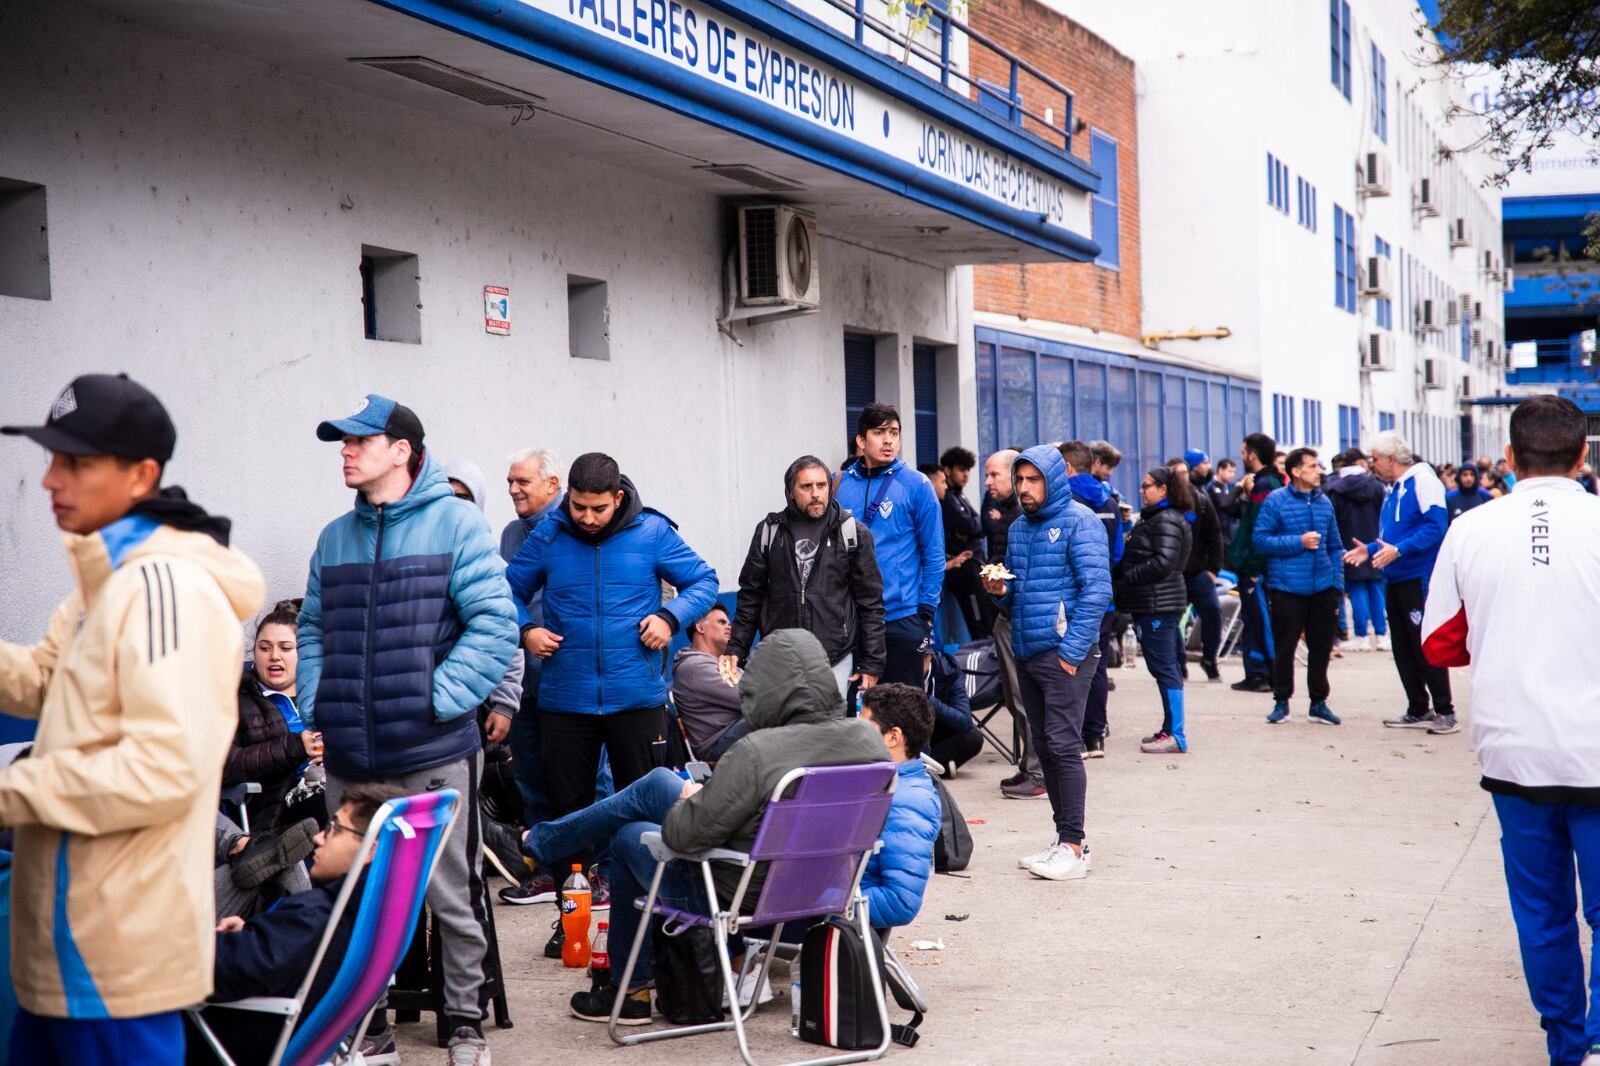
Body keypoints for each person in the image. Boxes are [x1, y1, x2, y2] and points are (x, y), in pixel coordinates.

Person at [0, 373, 265, 1065]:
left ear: (141, 475)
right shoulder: (108, 578)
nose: (50, 479)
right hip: (64, 946)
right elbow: (47, 679)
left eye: (75, 462)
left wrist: (11, 791)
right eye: (51, 458)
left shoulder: (164, 586)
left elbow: (163, 767)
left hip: (114, 957)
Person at [298, 393, 518, 1064]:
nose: (346, 451)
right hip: (351, 756)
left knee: (450, 891)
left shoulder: (457, 524)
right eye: (342, 441)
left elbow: (496, 626)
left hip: (433, 749)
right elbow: (312, 628)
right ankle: (365, 1027)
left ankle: (464, 1021)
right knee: (352, 898)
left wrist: (435, 699)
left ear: (401, 451)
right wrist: (318, 700)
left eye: (359, 441)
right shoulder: (334, 537)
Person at [516, 630, 888, 1023]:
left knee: (629, 835)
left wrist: (689, 799)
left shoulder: (758, 752)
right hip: (825, 887)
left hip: (740, 895)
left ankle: (630, 992)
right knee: (658, 783)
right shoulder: (868, 741)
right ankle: (544, 840)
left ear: (766, 689)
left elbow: (683, 836)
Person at [1420, 396, 1600, 1066]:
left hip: (1514, 749)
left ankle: (1568, 1045)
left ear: (1509, 458)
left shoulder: (1471, 528)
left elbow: (1439, 643)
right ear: (1582, 455)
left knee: (1542, 912)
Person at [505, 451, 718, 954]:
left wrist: (670, 617)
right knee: (568, 817)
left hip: (636, 699)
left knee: (647, 816)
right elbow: (504, 592)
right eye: (578, 506)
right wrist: (526, 629)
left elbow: (704, 580)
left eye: (598, 508)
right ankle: (570, 923)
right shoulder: (549, 534)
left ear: (618, 498)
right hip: (566, 701)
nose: (586, 518)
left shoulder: (652, 532)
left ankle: (650, 927)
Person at [187, 783, 409, 1066]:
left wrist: (203, 941)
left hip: (218, 1038)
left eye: (334, 829)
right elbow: (276, 954)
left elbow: (213, 974)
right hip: (294, 1036)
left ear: (369, 851)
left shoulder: (314, 917)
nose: (318, 838)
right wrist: (255, 935)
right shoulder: (375, 913)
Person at [982, 446, 1111, 881]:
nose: (1023, 488)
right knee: (1045, 747)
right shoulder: (1019, 528)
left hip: (1064, 656)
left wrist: (1071, 653)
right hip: (1028, 650)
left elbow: (1097, 591)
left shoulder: (1081, 521)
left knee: (1063, 746)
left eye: (1032, 480)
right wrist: (1001, 592)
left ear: (1053, 480)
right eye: (1019, 480)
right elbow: (1021, 594)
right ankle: (1065, 840)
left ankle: (1073, 846)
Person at [725, 455, 886, 698]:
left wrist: (872, 662)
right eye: (806, 486)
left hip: (834, 659)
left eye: (821, 485)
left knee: (829, 723)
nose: (815, 494)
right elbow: (751, 596)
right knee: (785, 722)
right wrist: (737, 648)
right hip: (780, 660)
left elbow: (871, 602)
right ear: (790, 492)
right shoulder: (770, 531)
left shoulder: (852, 532)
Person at [1341, 431, 1455, 734]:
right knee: (1403, 647)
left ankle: (1445, 710)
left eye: (1375, 459)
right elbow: (1392, 537)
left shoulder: (1423, 482)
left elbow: (1435, 527)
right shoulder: (1394, 489)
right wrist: (1371, 549)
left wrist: (1400, 550)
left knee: (1423, 643)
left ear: (1391, 459)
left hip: (1418, 576)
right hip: (1395, 576)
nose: (1372, 465)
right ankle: (1417, 707)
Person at [496, 447, 565, 906]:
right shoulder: (509, 535)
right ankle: (545, 870)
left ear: (552, 484)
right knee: (531, 780)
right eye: (510, 481)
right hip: (523, 681)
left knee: (580, 783)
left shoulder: (573, 528)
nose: (513, 490)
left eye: (523, 481)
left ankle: (591, 870)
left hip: (567, 679)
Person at [835, 405, 945, 686]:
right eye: (879, 432)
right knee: (858, 707)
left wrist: (925, 615)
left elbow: (934, 555)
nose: (888, 440)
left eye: (894, 433)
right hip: (854, 619)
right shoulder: (841, 484)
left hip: (902, 617)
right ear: (861, 441)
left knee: (904, 707)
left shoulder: (917, 485)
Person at [1252, 448, 1345, 726]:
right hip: (1287, 588)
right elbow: (1260, 540)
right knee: (1285, 648)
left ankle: (1319, 703)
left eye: (1318, 466)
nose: (1319, 472)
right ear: (1295, 471)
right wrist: (1299, 542)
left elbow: (1335, 546)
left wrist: (1337, 585)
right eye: (1312, 467)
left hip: (1323, 588)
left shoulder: (1324, 502)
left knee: (1321, 649)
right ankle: (1281, 701)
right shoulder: (1276, 500)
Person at [226, 599, 325, 831]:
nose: (274, 656)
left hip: (333, 786)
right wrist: (296, 747)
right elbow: (225, 765)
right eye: (264, 648)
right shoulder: (235, 701)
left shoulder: (327, 696)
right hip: (278, 808)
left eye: (285, 648)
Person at [1116, 468, 1193, 755]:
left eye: (1147, 485)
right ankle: (1170, 728)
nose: (1141, 490)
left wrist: (1128, 577)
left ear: (1163, 489)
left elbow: (1164, 562)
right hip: (1153, 602)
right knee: (1163, 667)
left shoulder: (1166, 519)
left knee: (1165, 668)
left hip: (1158, 604)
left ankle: (1176, 734)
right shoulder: (1155, 518)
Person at [855, 683, 941, 929]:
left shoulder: (909, 801)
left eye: (863, 726)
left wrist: (824, 902)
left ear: (893, 737)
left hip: (831, 914)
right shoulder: (881, 783)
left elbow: (899, 902)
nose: (854, 733)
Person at [1062, 440, 1127, 764]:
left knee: (1068, 666)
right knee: (1097, 667)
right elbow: (1118, 552)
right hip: (1104, 598)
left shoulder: (1064, 502)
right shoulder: (1111, 501)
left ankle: (1074, 738)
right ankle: (1095, 734)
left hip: (1071, 600)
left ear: (1067, 468)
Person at [1227, 433, 1283, 692]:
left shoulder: (1265, 484)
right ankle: (1255, 672)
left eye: (1243, 451)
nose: (1241, 456)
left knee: (1261, 621)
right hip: (1253, 564)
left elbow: (1262, 527)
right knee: (1251, 620)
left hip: (1257, 567)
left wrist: (1254, 566)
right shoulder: (1265, 483)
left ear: (1252, 454)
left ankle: (1273, 674)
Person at [1325, 450, 1389, 654]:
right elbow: (1384, 515)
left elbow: (1332, 520)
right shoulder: (1376, 486)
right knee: (1376, 589)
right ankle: (1381, 635)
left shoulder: (1335, 489)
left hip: (1349, 544)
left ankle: (1361, 637)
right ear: (1360, 462)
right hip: (1375, 543)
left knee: (1357, 590)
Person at [1169, 456, 1225, 682]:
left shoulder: (1200, 499)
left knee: (1213, 613)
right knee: (1172, 620)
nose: (1183, 478)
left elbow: (1214, 533)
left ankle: (1209, 659)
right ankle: (1179, 663)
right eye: (1178, 474)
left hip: (1198, 573)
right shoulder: (1163, 502)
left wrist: (1213, 569)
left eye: (1185, 473)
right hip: (1172, 576)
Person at [671, 604, 745, 760]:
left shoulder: (722, 663)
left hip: (737, 732)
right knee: (777, 712)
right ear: (700, 627)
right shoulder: (693, 667)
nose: (729, 627)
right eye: (721, 622)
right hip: (718, 744)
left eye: (729, 623)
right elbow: (751, 697)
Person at [940, 446, 996, 639]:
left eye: (968, 470)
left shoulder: (959, 496)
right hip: (964, 571)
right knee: (978, 623)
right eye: (961, 469)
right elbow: (972, 526)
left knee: (987, 618)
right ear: (948, 470)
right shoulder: (947, 499)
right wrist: (973, 527)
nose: (966, 475)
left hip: (975, 566)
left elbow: (979, 526)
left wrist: (974, 528)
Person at [924, 648, 982, 774]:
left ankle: (929, 765)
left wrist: (928, 700)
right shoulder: (895, 668)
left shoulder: (948, 670)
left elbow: (964, 720)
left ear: (929, 658)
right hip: (902, 734)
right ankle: (937, 767)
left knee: (973, 738)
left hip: (935, 730)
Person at [1210, 457, 1244, 539]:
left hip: (1228, 530)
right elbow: (1222, 503)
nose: (1232, 475)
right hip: (1216, 531)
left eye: (1234, 472)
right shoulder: (1212, 487)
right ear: (1220, 470)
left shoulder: (1228, 487)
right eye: (1230, 471)